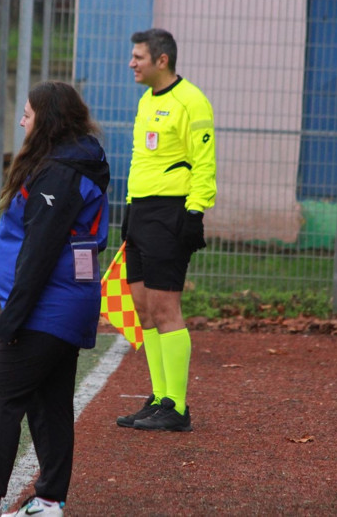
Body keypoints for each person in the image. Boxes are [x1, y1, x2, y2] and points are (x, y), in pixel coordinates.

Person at [0, 81, 110, 517]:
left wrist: (13, 317)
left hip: (50, 305)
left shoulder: (60, 172)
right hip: (66, 300)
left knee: (0, 392)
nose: (21, 121)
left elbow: (39, 251)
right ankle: (49, 501)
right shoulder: (71, 163)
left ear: (46, 120)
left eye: (28, 113)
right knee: (48, 404)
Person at [115, 28, 216, 432]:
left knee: (164, 309)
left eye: (138, 57)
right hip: (140, 212)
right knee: (142, 308)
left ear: (162, 60)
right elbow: (144, 162)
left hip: (170, 214)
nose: (131, 63)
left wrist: (195, 214)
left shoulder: (192, 100)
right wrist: (128, 208)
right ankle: (160, 398)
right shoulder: (145, 101)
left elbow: (204, 164)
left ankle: (177, 407)